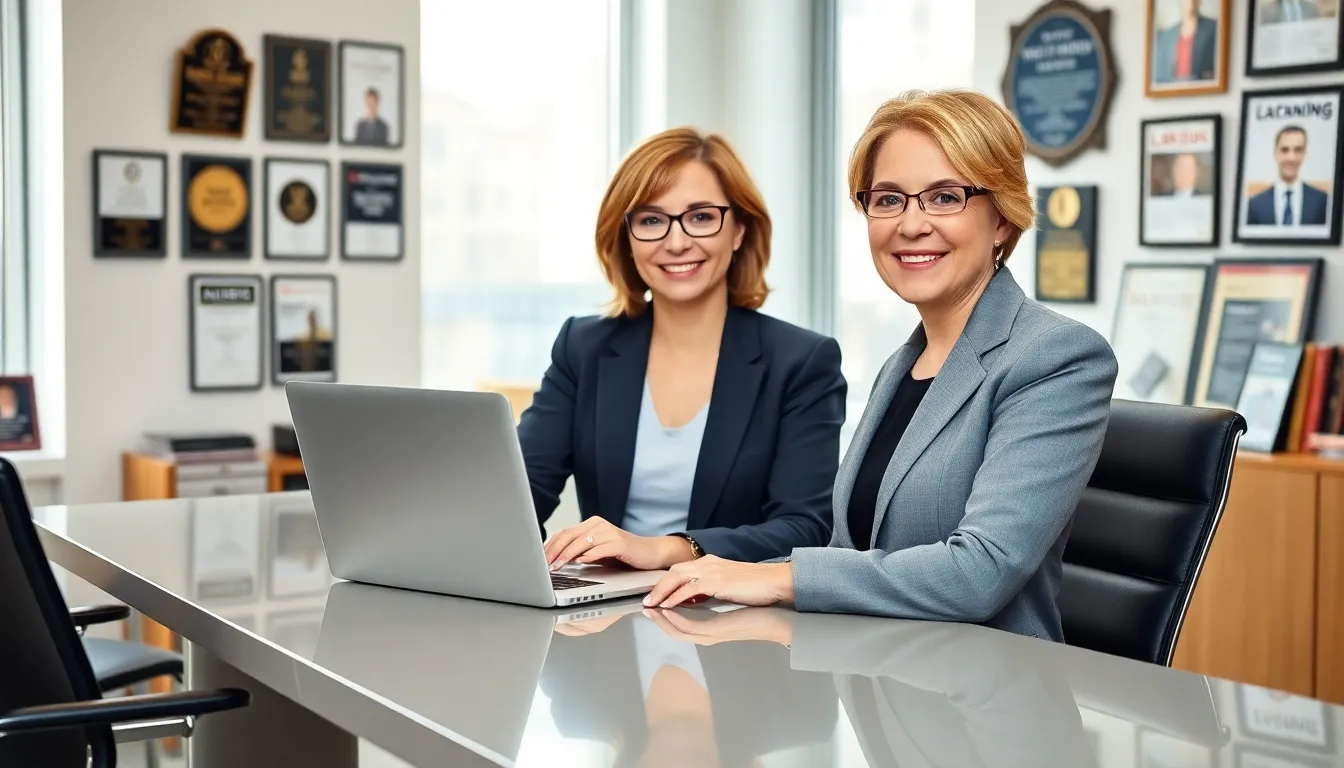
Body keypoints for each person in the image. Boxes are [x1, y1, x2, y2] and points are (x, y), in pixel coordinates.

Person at [642, 90, 1119, 643]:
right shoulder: (903, 364)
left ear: (1003, 220)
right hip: (884, 681)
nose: (910, 224)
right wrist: (694, 563)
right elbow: (852, 551)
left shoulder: (1056, 357)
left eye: (944, 197)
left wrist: (779, 578)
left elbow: (980, 573)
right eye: (888, 200)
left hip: (986, 704)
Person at [518, 127, 847, 572]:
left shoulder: (801, 362)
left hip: (732, 619)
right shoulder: (583, 347)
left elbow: (805, 527)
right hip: (606, 617)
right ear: (627, 238)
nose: (676, 242)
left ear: (739, 231)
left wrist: (668, 549)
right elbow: (519, 495)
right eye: (651, 220)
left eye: (701, 217)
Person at [1246, 125, 1329, 226]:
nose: (1291, 158)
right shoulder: (1255, 204)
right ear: (1275, 153)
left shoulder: (1322, 201)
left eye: (1298, 150)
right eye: (1285, 150)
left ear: (1304, 154)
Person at [1152, 0, 1219, 84]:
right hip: (1174, 91)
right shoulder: (1167, 35)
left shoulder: (1213, 28)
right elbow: (1159, 74)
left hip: (1202, 89)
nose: (1191, 2)